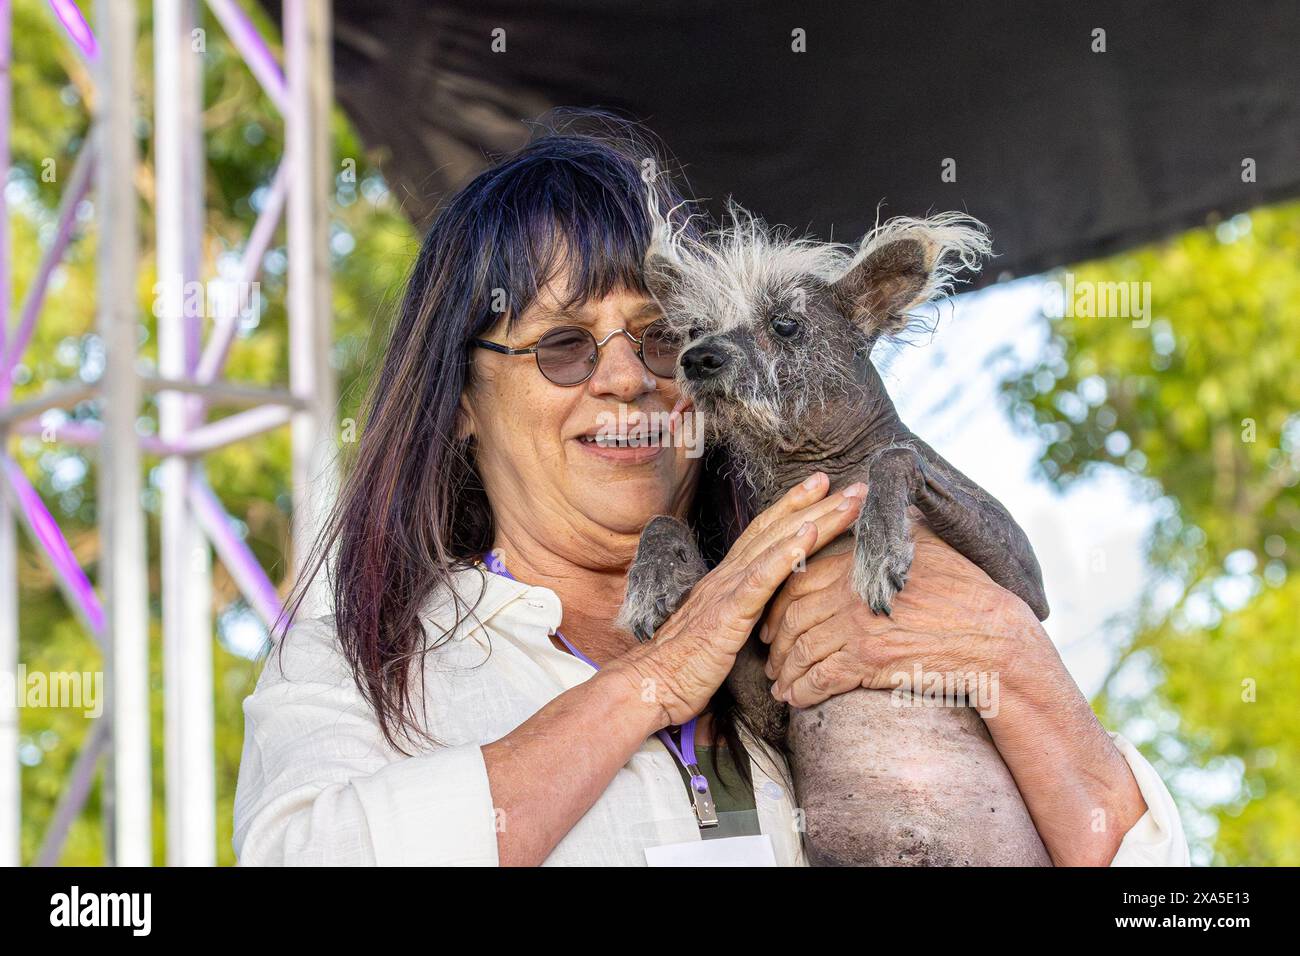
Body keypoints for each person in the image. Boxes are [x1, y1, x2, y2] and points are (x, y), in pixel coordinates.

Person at [232, 118, 1189, 866]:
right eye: (563, 344)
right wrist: (652, 679)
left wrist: (1012, 659)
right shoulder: (369, 656)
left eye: (662, 339)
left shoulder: (834, 610)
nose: (627, 380)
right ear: (459, 405)